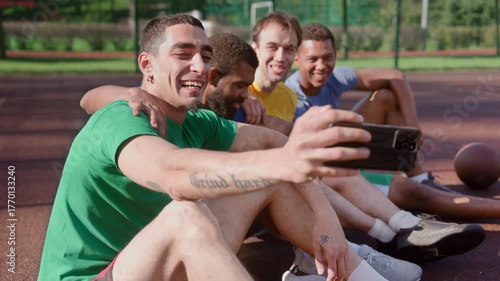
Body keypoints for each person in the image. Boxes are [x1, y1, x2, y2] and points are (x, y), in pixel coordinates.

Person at [38, 14, 390, 281]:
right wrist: (279, 164)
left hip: (149, 264)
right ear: (147, 65)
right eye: (183, 54)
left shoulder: (196, 122)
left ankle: (362, 274)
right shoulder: (122, 118)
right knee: (186, 214)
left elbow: (272, 140)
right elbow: (173, 174)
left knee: (265, 181)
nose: (199, 66)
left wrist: (325, 216)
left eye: (205, 56)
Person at [285, 22, 500, 221]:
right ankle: (413, 202)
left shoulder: (334, 77)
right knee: (416, 196)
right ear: (297, 59)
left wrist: (412, 127)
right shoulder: (291, 98)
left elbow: (395, 76)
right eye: (313, 59)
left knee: (386, 97)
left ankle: (419, 176)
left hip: (342, 153)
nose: (321, 65)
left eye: (328, 57)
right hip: (324, 174)